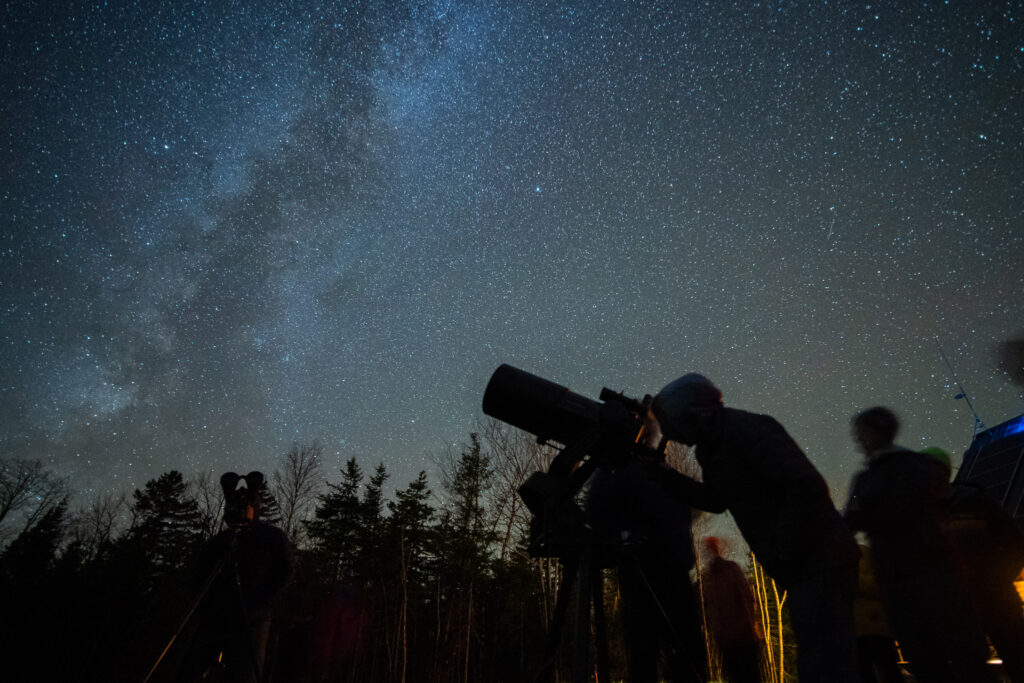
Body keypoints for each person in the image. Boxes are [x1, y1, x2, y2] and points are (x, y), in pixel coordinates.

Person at [648, 373, 859, 683]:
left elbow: (805, 486)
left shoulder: (744, 430)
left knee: (826, 661)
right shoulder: (713, 446)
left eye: (673, 426)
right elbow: (718, 499)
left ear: (691, 415)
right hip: (804, 563)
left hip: (820, 560)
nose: (673, 436)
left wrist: (783, 550)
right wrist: (665, 477)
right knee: (822, 655)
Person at [844, 408, 991, 683]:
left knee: (925, 657)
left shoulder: (867, 481)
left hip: (900, 579)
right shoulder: (925, 468)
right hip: (944, 572)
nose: (857, 440)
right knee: (966, 652)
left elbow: (849, 523)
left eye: (860, 433)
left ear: (873, 433)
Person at [587, 454, 707, 683]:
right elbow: (597, 510)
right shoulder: (620, 469)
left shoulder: (657, 471)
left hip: (672, 571)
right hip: (643, 570)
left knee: (685, 654)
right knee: (646, 654)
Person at [175, 472, 293, 683]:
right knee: (190, 671)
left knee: (244, 675)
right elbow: (196, 576)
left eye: (246, 503)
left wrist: (262, 603)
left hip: (252, 621)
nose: (240, 507)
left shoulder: (272, 537)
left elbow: (284, 572)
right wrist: (204, 607)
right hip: (214, 618)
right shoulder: (219, 542)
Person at [924, 446, 1024, 683]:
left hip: (996, 596)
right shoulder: (922, 516)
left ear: (942, 470)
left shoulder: (975, 501)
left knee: (1017, 655)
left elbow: (1013, 540)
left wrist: (1001, 577)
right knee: (972, 666)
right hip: (958, 604)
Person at [700, 536, 762, 683]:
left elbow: (747, 598)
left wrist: (753, 627)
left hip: (742, 636)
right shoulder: (711, 577)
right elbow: (712, 609)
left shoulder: (727, 571)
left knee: (749, 676)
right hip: (730, 641)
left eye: (711, 547)